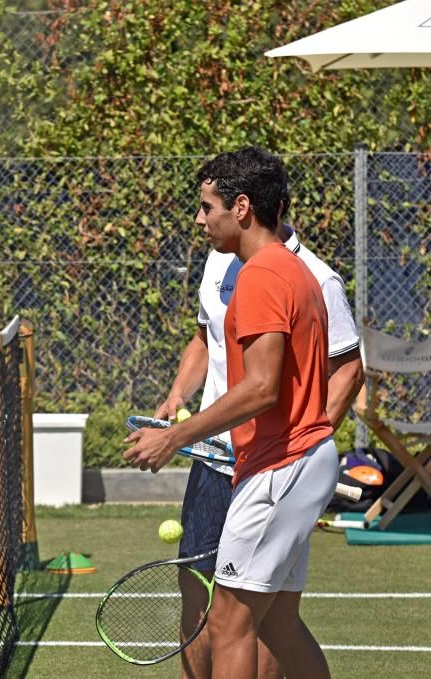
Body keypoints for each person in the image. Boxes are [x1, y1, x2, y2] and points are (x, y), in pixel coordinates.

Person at [124, 147, 339, 679]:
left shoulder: (264, 277)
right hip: (296, 462)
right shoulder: (290, 269)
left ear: (241, 207)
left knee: (227, 624)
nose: (200, 219)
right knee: (279, 625)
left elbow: (261, 388)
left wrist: (174, 438)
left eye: (206, 207)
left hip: (280, 467)